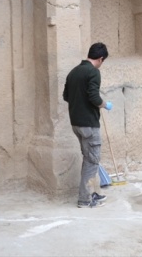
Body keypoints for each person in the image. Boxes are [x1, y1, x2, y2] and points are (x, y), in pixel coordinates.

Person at [63, 42, 112, 208]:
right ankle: (85, 199)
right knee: (92, 161)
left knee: (88, 159)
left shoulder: (73, 72)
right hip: (89, 125)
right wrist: (105, 104)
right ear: (100, 58)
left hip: (76, 124)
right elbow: (94, 97)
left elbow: (66, 96)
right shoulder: (93, 72)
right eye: (102, 61)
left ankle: (90, 192)